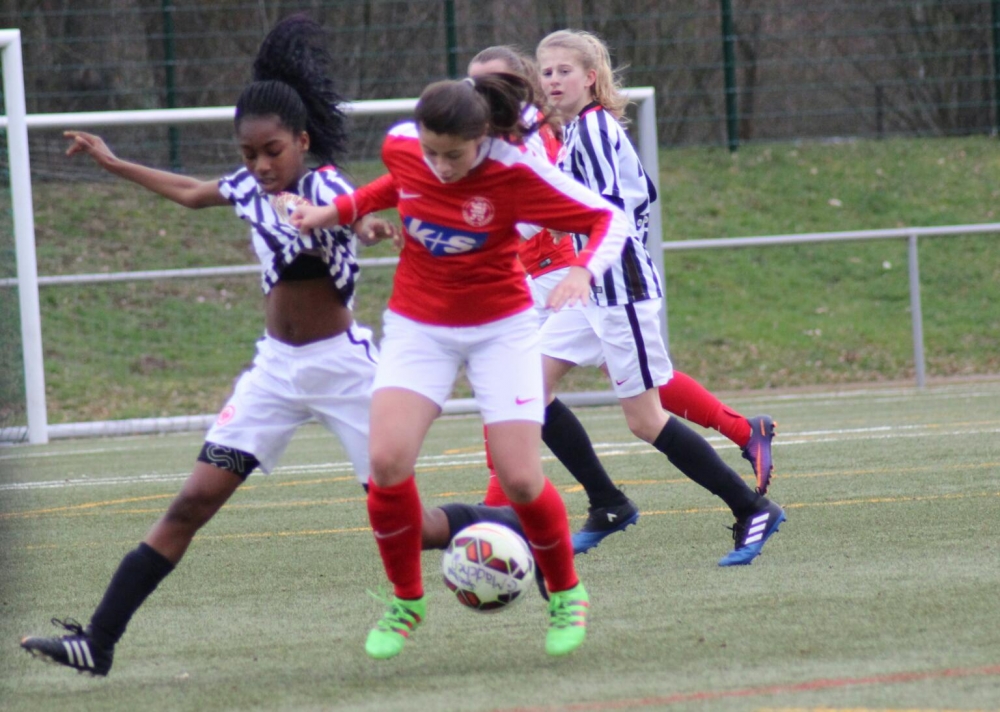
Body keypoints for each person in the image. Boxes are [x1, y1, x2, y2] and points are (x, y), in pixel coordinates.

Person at [17, 14, 531, 677]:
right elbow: (190, 192)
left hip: (345, 372)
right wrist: (114, 163)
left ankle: (510, 524)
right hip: (275, 374)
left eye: (273, 151)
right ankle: (98, 641)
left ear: (302, 141)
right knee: (191, 503)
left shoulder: (325, 186)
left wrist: (369, 227)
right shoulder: (245, 188)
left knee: (417, 524)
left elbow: (359, 211)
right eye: (249, 153)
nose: (261, 165)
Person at [292, 72, 634, 659]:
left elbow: (609, 219)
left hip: (501, 331)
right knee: (386, 462)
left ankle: (565, 592)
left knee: (520, 478)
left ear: (482, 139)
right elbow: (395, 185)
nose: (441, 166)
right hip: (419, 326)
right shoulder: (403, 146)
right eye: (432, 153)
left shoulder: (517, 173)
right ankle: (407, 600)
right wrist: (335, 212)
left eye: (454, 156)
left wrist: (582, 270)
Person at [467, 47, 778, 528]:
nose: (482, 94)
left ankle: (510, 507)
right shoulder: (529, 129)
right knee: (537, 383)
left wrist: (498, 233)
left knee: (627, 400)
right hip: (564, 272)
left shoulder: (542, 131)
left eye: (494, 84)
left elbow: (584, 209)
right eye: (475, 85)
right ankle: (609, 497)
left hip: (573, 271)